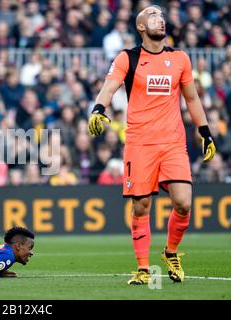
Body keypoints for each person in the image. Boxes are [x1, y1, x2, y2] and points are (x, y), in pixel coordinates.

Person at [88, 5, 216, 285]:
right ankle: (143, 269)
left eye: (161, 14)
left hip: (172, 142)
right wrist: (98, 108)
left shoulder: (180, 59)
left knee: (183, 202)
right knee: (142, 206)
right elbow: (109, 86)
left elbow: (192, 99)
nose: (160, 18)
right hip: (140, 143)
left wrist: (205, 132)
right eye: (152, 15)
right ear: (141, 27)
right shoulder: (127, 58)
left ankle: (171, 252)